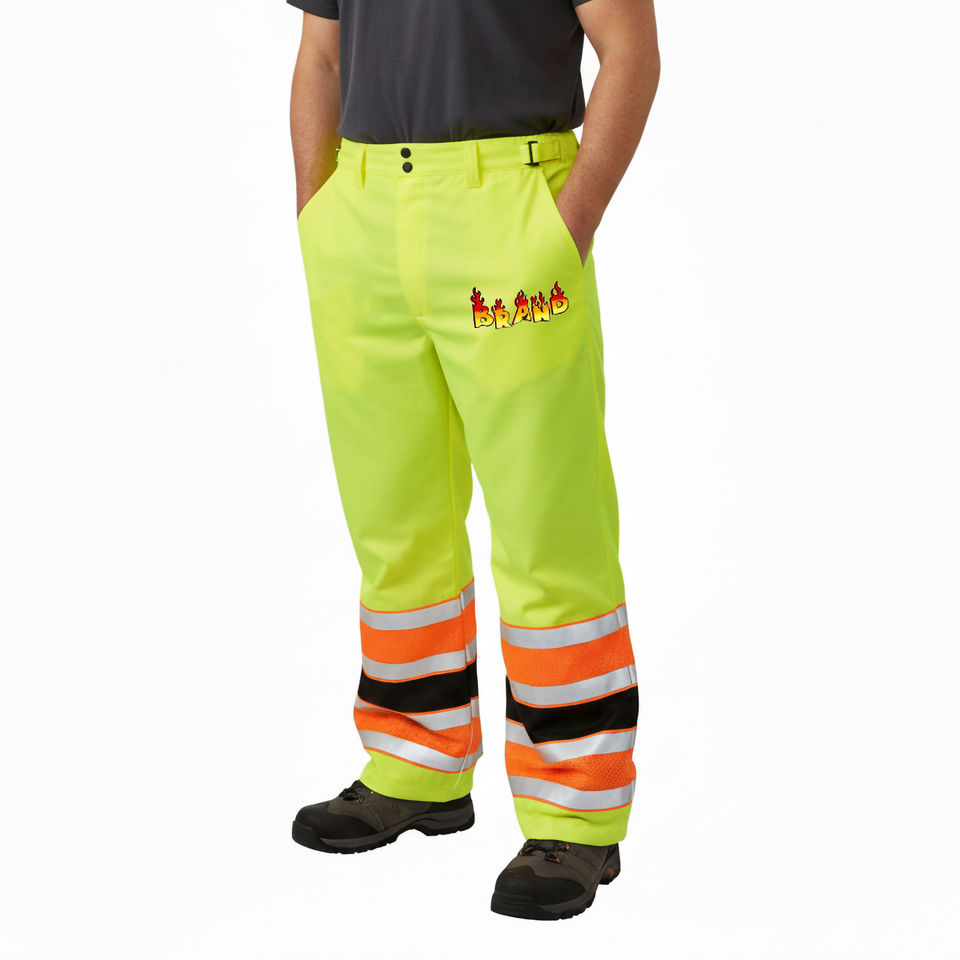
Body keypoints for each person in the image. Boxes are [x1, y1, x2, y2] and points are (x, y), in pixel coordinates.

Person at [287, 0, 660, 921]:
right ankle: (416, 761)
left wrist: (569, 224)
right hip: (362, 216)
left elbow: (630, 51)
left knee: (546, 521)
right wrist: (318, 216)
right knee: (393, 520)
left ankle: (575, 813)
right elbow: (320, 56)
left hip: (509, 211)